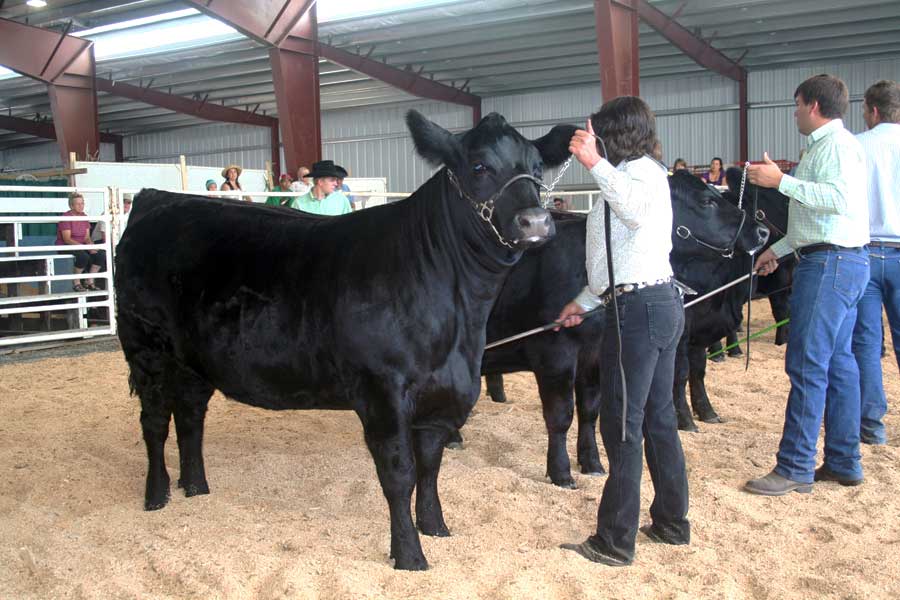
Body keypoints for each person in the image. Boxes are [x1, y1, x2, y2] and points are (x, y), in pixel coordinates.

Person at [556, 96, 690, 567]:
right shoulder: (637, 174)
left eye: (599, 133)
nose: (593, 140)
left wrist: (594, 163)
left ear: (616, 134)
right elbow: (627, 256)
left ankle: (614, 541)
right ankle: (671, 522)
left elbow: (631, 213)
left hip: (639, 312)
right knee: (656, 418)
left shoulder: (640, 175)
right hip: (648, 302)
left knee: (623, 423)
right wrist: (584, 301)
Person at [744, 74, 870, 495]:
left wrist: (779, 181)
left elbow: (839, 200)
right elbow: (818, 219)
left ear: (813, 105)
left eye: (797, 105)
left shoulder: (836, 147)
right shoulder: (829, 146)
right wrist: (777, 250)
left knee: (806, 364)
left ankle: (795, 465)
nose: (795, 113)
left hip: (830, 265)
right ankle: (844, 461)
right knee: (838, 363)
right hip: (841, 260)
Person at [852, 80, 900, 446]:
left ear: (872, 110)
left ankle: (872, 427)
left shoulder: (856, 146)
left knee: (866, 344)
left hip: (864, 252)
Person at [56, 193, 104, 292]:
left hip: (81, 245)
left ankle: (89, 281)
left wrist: (91, 246)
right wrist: (84, 247)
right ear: (71, 206)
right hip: (66, 245)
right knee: (83, 256)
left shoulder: (84, 216)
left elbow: (87, 237)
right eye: (78, 204)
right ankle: (76, 282)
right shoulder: (66, 217)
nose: (81, 206)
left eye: (82, 203)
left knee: (100, 255)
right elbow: (67, 239)